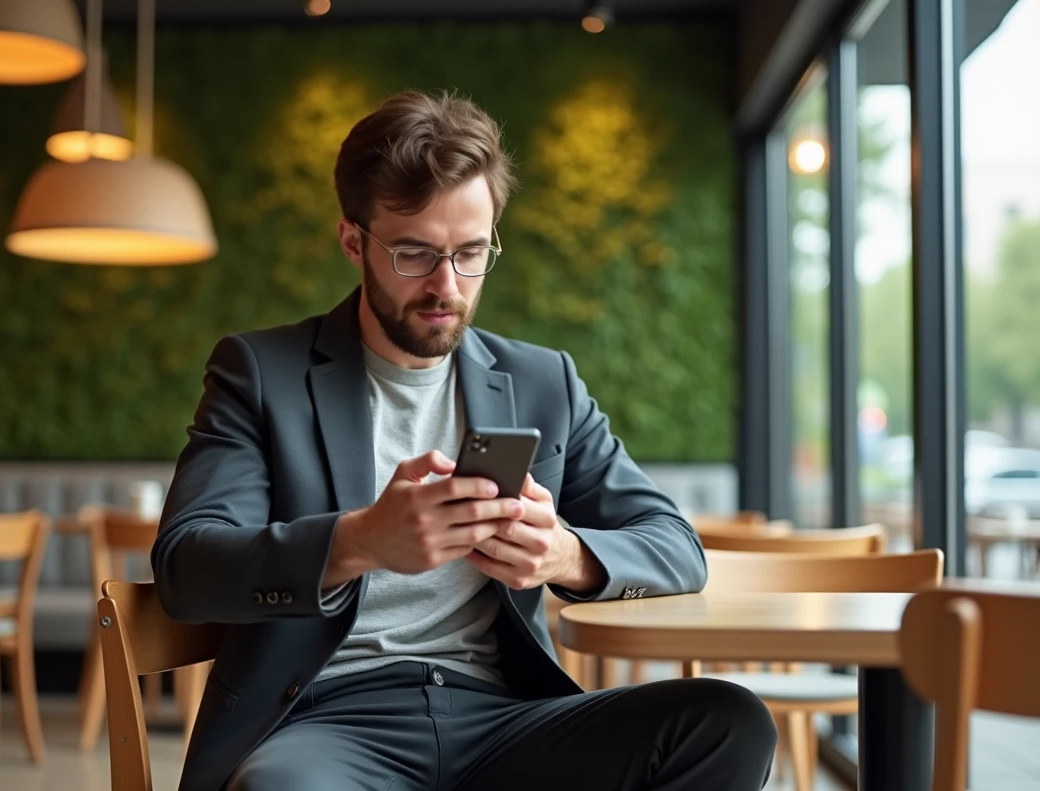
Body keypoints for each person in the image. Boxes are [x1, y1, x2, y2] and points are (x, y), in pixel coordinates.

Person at [152, 89, 777, 791]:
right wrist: (357, 541)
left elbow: (675, 546)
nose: (446, 285)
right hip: (328, 723)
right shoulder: (263, 372)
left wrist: (566, 553)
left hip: (505, 719)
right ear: (354, 241)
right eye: (415, 254)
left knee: (729, 720)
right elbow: (186, 566)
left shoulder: (543, 381)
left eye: (471, 253)